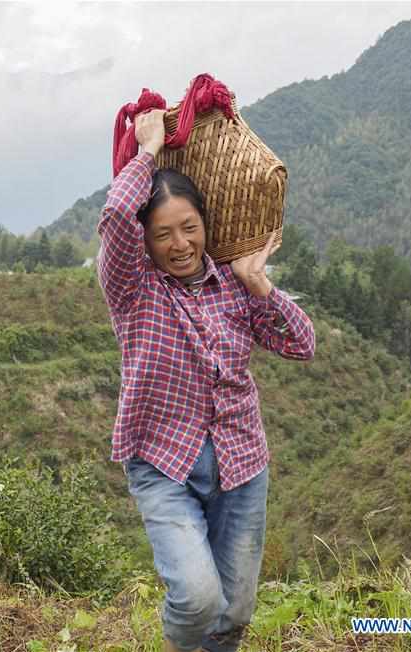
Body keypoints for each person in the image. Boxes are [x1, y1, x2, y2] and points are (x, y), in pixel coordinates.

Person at [97, 109, 315, 652]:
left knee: (234, 611)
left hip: (241, 462)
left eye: (189, 228)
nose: (179, 243)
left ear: (206, 225)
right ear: (145, 241)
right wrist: (146, 152)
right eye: (163, 233)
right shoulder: (133, 289)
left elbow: (301, 344)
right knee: (196, 599)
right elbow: (116, 216)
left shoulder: (235, 286)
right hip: (164, 462)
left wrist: (260, 285)